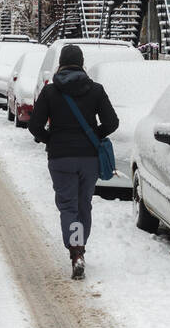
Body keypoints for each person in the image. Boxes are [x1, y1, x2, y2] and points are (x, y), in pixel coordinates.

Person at [28, 44, 118, 280]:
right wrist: (95, 135)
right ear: (81, 63)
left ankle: (76, 251)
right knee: (83, 204)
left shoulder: (50, 92)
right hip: (89, 158)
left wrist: (51, 139)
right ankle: (80, 248)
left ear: (61, 64)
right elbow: (112, 122)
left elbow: (34, 126)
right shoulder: (96, 90)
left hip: (61, 158)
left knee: (68, 207)